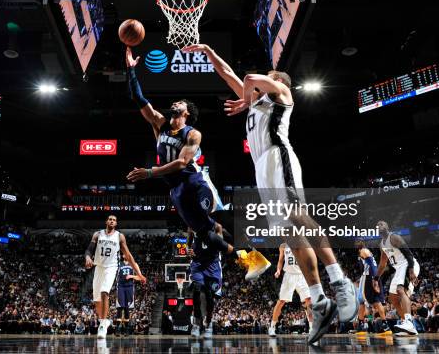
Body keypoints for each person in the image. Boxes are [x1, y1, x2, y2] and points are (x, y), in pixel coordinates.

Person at [183, 43, 359, 345]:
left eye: (271, 77)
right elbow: (228, 74)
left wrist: (246, 94)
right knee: (290, 236)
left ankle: (340, 281)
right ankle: (319, 301)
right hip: (261, 169)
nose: (265, 78)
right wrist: (210, 52)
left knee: (298, 216)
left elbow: (249, 79)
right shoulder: (256, 103)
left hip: (280, 158)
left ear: (278, 84)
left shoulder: (282, 96)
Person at [123, 46, 270, 280]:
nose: (175, 103)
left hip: (194, 181)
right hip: (175, 190)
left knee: (218, 220)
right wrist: (131, 71)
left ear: (186, 112)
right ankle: (249, 260)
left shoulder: (193, 133)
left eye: (180, 102)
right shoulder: (159, 123)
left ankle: (255, 255)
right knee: (204, 232)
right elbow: (139, 99)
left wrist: (150, 172)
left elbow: (182, 162)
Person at [85, 215, 146, 339]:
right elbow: (89, 250)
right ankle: (104, 320)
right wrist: (87, 257)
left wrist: (139, 274)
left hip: (111, 267)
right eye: (110, 219)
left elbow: (128, 256)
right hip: (98, 267)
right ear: (106, 221)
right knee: (97, 300)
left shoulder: (119, 236)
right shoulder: (97, 234)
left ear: (116, 223)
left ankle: (102, 325)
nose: (112, 221)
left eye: (114, 220)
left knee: (104, 292)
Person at [375, 220, 420, 335]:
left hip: (408, 264)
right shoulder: (382, 244)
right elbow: (382, 264)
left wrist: (411, 270)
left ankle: (409, 322)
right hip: (399, 269)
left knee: (400, 290)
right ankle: (407, 325)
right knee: (392, 298)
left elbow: (408, 253)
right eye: (378, 225)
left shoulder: (394, 237)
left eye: (382, 224)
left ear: (387, 227)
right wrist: (375, 278)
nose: (379, 225)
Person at [187, 225, 223, 339]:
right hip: (197, 263)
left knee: (209, 295)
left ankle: (208, 323)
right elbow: (188, 242)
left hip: (212, 264)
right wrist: (188, 250)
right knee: (197, 290)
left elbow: (221, 245)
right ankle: (196, 324)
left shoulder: (216, 227)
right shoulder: (191, 224)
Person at [269, 243, 312, 336]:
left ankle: (312, 328)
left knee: (309, 300)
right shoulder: (283, 246)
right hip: (289, 275)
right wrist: (278, 270)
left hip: (301, 275)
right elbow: (280, 260)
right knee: (281, 301)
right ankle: (272, 327)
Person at [355, 240, 391, 335]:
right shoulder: (366, 251)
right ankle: (385, 325)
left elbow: (371, 265)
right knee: (376, 301)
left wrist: (373, 280)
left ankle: (361, 326)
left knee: (362, 300)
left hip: (369, 277)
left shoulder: (363, 251)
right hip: (373, 276)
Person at [115, 256, 136, 336]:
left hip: (130, 287)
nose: (125, 255)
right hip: (121, 286)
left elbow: (139, 277)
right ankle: (117, 329)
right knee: (120, 307)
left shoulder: (133, 264)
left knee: (127, 308)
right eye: (123, 254)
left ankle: (126, 330)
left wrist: (131, 276)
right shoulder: (119, 264)